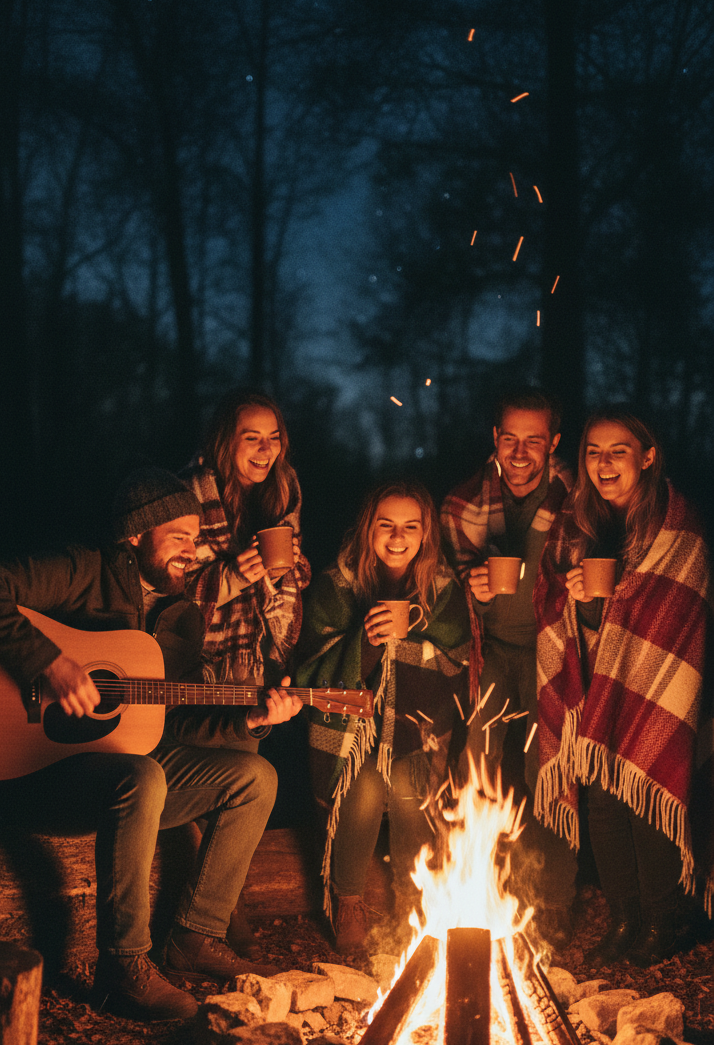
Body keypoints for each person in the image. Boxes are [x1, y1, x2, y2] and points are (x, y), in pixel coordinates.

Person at [0, 469, 302, 1020]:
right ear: (136, 535)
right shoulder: (81, 571)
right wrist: (47, 661)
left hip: (122, 770)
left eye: (197, 538)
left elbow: (177, 728)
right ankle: (124, 967)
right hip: (33, 769)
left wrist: (253, 722)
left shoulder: (181, 616)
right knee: (143, 775)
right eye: (179, 537)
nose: (194, 551)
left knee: (256, 778)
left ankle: (195, 935)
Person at [535, 407, 712, 966]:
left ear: (648, 456)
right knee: (601, 800)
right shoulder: (575, 524)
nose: (604, 463)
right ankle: (624, 917)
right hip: (596, 686)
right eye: (593, 451)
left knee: (644, 787)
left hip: (659, 686)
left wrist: (617, 601)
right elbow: (565, 612)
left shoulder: (678, 529)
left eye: (618, 451)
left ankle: (665, 919)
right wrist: (577, 601)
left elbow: (673, 614)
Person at [295, 482, 471, 952]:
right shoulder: (338, 583)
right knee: (368, 784)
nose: (398, 537)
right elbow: (312, 664)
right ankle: (347, 898)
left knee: (409, 786)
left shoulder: (441, 588)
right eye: (385, 526)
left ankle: (417, 900)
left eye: (410, 527)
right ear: (367, 530)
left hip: (418, 729)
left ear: (425, 534)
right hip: (350, 733)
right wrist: (368, 641)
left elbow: (458, 658)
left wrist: (410, 632)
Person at [440, 387, 577, 949]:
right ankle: (477, 890)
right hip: (491, 651)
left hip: (553, 651)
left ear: (554, 444)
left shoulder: (577, 499)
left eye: (534, 441)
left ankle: (555, 904)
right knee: (478, 762)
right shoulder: (462, 504)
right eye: (510, 439)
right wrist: (468, 587)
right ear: (495, 439)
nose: (521, 453)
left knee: (551, 770)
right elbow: (439, 587)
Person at [180, 388, 310, 686]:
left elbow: (293, 580)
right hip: (204, 665)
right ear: (226, 441)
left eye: (274, 437)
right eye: (252, 438)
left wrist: (282, 572)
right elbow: (168, 591)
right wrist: (233, 578)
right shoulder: (189, 496)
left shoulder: (284, 493)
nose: (266, 450)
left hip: (265, 661)